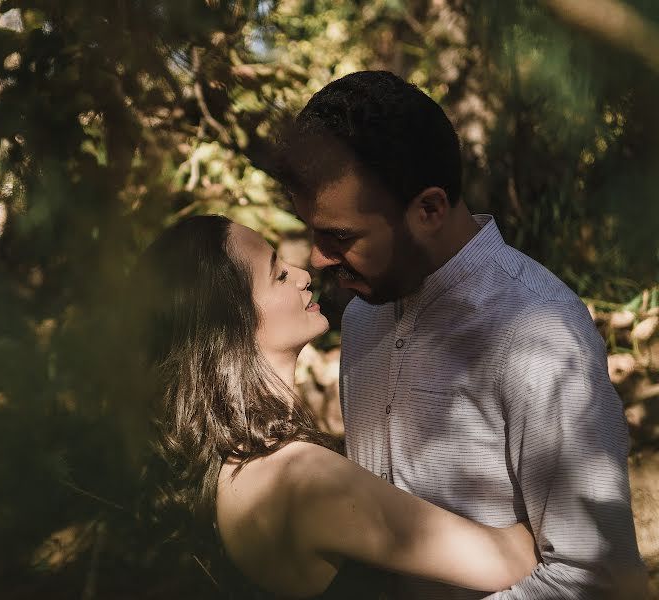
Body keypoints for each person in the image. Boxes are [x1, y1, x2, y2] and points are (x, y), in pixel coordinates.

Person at [276, 70, 646, 598]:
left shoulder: (536, 332)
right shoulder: (364, 313)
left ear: (429, 209)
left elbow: (598, 579)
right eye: (314, 231)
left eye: (340, 236)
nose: (317, 258)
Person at [132, 214, 538, 599]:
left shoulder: (233, 465)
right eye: (278, 275)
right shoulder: (304, 479)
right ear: (233, 324)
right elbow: (506, 559)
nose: (305, 276)